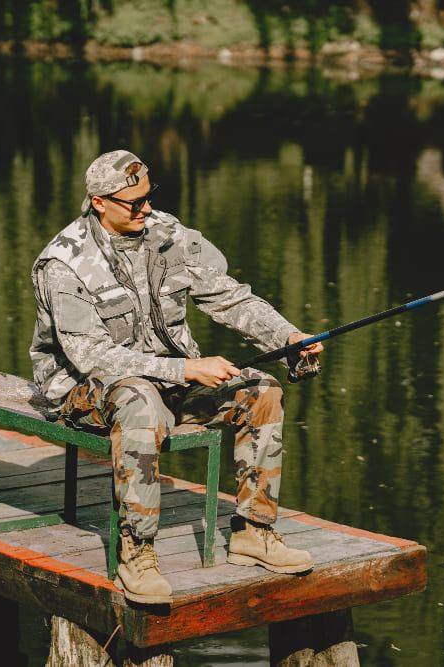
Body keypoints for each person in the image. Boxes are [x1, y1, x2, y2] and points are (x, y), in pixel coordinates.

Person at [29, 150, 323, 604]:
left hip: (168, 379)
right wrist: (185, 368)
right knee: (138, 402)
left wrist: (289, 337)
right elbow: (93, 358)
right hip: (82, 389)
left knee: (261, 392)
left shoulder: (168, 235)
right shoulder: (64, 263)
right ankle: (138, 553)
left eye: (148, 198)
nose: (146, 210)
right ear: (99, 202)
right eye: (133, 203)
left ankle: (254, 532)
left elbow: (231, 298)